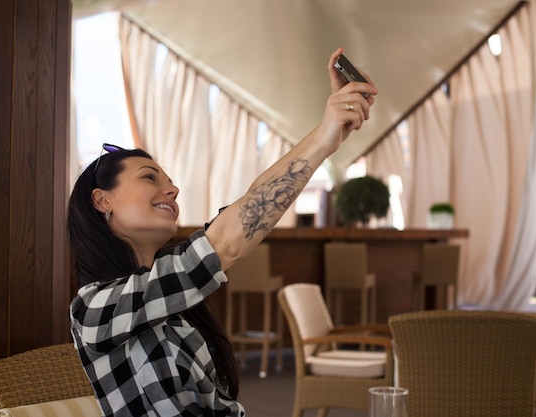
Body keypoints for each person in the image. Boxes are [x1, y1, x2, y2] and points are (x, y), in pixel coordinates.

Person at [67, 46, 378, 417]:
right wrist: (322, 138)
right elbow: (226, 240)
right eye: (149, 178)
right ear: (102, 201)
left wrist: (326, 139)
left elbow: (245, 208)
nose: (172, 189)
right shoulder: (93, 308)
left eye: (169, 181)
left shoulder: (170, 302)